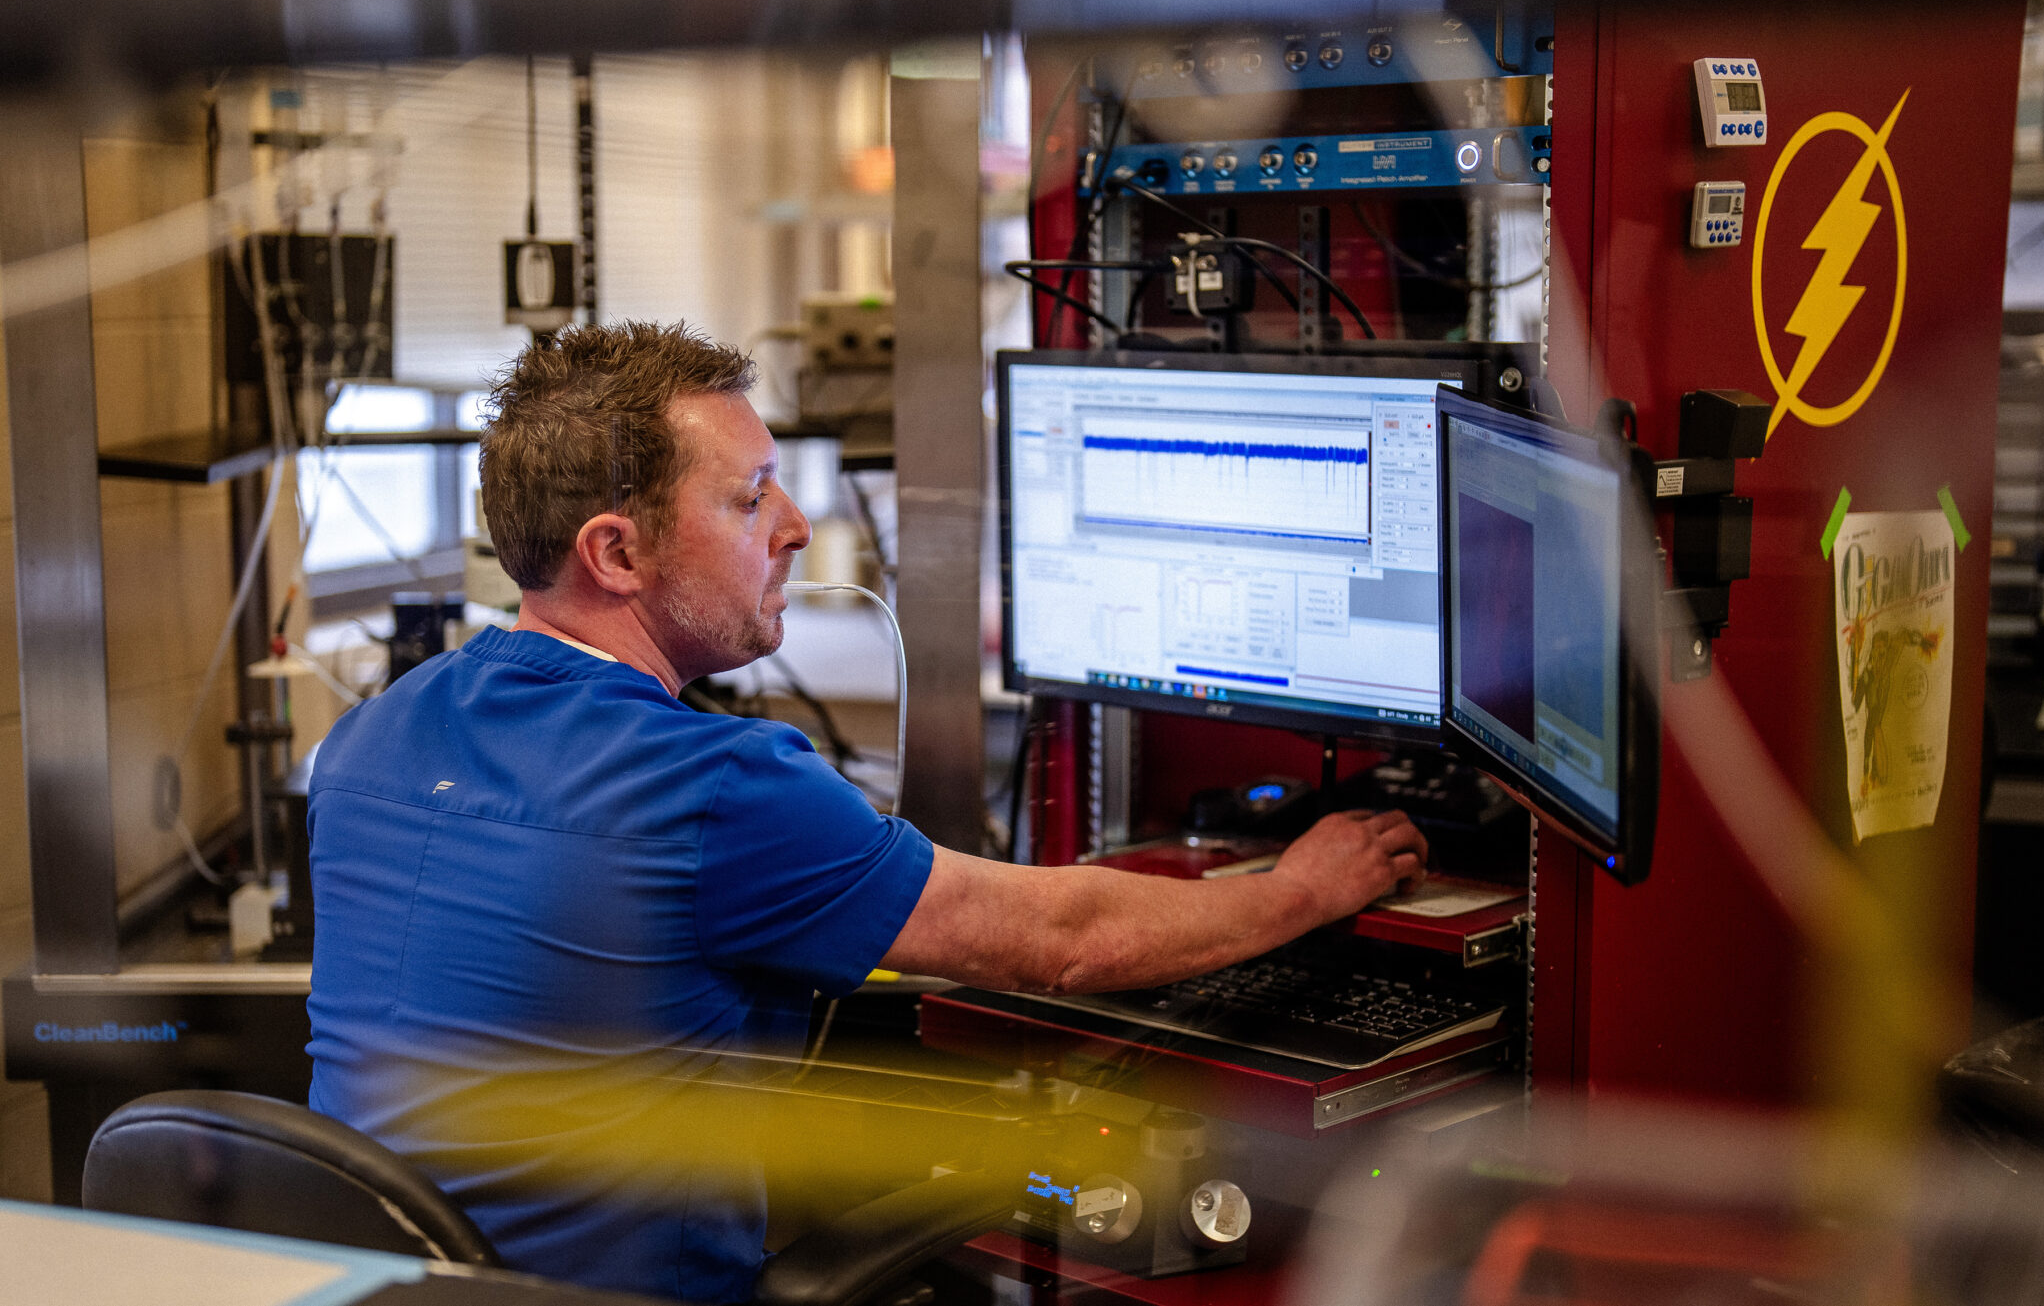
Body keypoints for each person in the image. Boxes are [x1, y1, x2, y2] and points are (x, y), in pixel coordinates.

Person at [306, 321, 1427, 1303]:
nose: (794, 525)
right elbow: (1060, 942)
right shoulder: (714, 787)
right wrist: (1298, 889)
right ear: (615, 550)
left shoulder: (370, 731)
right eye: (748, 498)